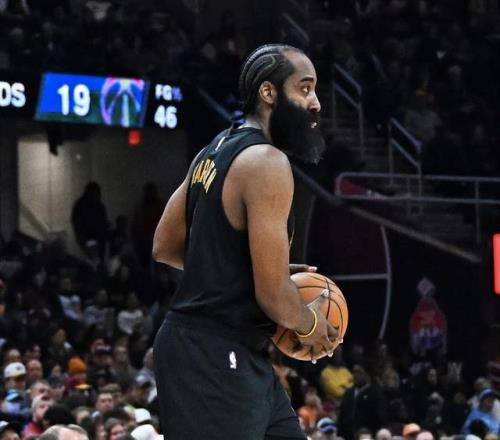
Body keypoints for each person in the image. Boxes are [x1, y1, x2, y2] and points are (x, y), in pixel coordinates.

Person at [152, 43, 338, 440]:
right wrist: (310, 324)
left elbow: (165, 244)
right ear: (269, 92)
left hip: (225, 350)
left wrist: (247, 266)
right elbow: (273, 296)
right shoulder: (267, 162)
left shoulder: (213, 150)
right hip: (213, 353)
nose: (316, 103)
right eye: (304, 88)